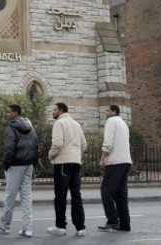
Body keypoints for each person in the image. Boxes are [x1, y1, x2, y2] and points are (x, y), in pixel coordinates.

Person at [0, 103, 39, 238]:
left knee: (9, 196)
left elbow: (9, 148)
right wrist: (33, 162)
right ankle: (27, 229)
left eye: (9, 112)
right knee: (26, 196)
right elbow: (35, 144)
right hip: (28, 164)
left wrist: (6, 164)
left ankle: (4, 226)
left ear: (15, 113)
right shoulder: (30, 126)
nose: (7, 114)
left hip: (16, 165)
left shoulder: (11, 127)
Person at [47, 102, 87, 237]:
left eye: (55, 109)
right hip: (76, 162)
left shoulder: (59, 123)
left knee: (60, 196)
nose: (53, 112)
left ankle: (60, 226)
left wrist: (50, 155)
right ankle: (80, 227)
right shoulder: (76, 124)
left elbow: (57, 144)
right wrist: (77, 155)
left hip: (63, 163)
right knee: (76, 195)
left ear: (61, 111)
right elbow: (84, 145)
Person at [98, 104, 132, 232]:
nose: (105, 112)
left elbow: (108, 144)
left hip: (115, 161)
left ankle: (112, 220)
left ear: (114, 112)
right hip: (125, 161)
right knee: (121, 194)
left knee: (106, 190)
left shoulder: (111, 122)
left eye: (107, 110)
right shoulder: (123, 124)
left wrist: (103, 158)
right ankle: (124, 224)